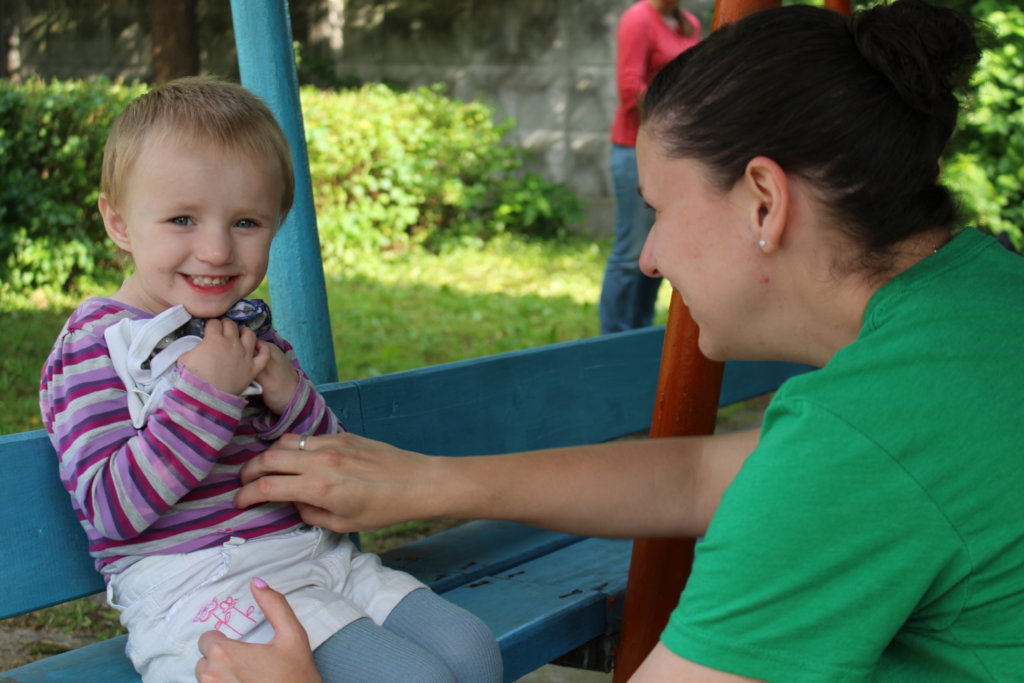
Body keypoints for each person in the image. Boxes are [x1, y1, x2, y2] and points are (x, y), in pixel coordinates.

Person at [197, 1, 1024, 681]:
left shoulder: (856, 443)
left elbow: (818, 475)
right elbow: (703, 476)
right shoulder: (984, 302)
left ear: (764, 202)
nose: (651, 257)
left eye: (659, 210)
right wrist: (432, 481)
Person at [38, 77, 501, 683]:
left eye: (246, 222)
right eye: (182, 219)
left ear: (277, 223)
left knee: (472, 649)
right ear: (119, 222)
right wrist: (205, 398)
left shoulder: (248, 331)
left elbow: (332, 469)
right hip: (203, 585)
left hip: (317, 557)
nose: (215, 250)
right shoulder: (95, 346)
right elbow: (111, 510)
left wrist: (292, 396)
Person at [600, 0, 700, 334]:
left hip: (672, 153)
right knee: (630, 255)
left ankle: (638, 331)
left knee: (660, 253)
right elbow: (629, 90)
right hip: (633, 150)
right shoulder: (639, 19)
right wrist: (679, 120)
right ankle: (613, 337)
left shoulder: (688, 23)